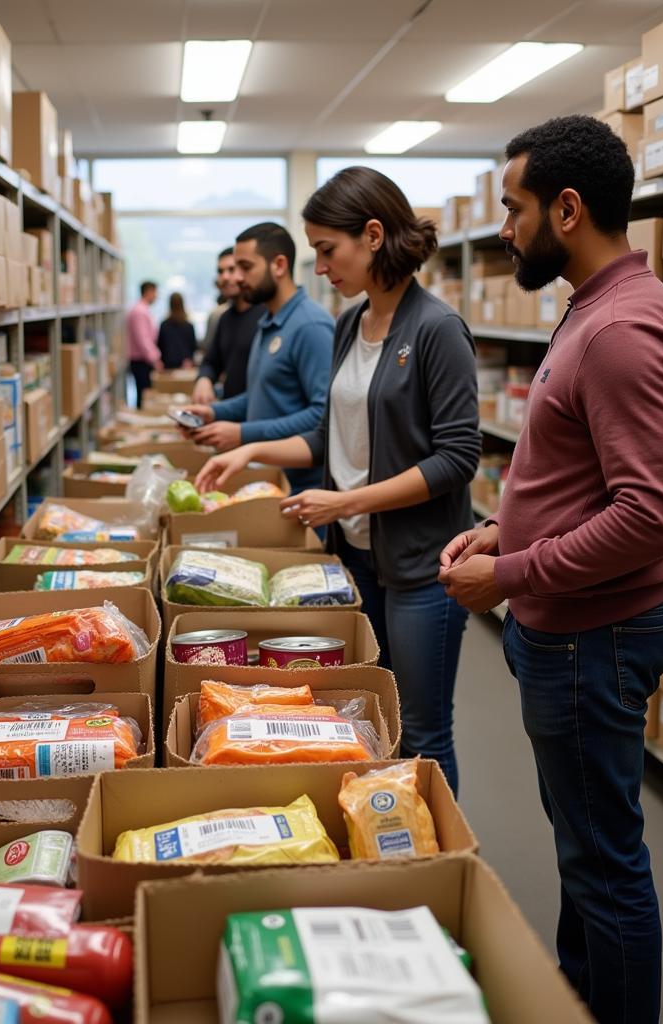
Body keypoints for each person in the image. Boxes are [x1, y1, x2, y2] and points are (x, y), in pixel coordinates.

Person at [439, 116, 663, 1024]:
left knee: (604, 864)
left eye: (514, 209)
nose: (505, 227)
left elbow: (656, 515)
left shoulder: (621, 330)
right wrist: (498, 533)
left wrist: (512, 575)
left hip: (594, 636)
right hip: (572, 627)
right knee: (586, 849)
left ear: (568, 208)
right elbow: (576, 476)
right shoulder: (590, 310)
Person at [195, 168, 480, 792]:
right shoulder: (352, 324)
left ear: (373, 236)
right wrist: (251, 451)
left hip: (419, 563)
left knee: (425, 730)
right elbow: (334, 433)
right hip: (355, 555)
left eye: (328, 250)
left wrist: (349, 498)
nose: (319, 267)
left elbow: (458, 458)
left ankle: (437, 867)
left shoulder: (435, 329)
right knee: (373, 718)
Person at [182, 222, 333, 492]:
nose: (237, 278)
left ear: (279, 265)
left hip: (305, 489)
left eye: (245, 267)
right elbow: (263, 395)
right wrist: (214, 413)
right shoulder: (268, 323)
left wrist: (243, 434)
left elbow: (323, 416)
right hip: (269, 481)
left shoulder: (311, 326)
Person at [192, 247, 264, 404]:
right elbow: (211, 361)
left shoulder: (266, 316)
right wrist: (204, 379)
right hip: (230, 413)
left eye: (231, 270)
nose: (224, 277)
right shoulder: (225, 319)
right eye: (220, 271)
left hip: (258, 418)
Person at [126, 280, 160, 407]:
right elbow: (143, 339)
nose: (156, 296)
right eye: (155, 292)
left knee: (143, 393)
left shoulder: (141, 309)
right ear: (148, 292)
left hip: (142, 359)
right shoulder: (139, 311)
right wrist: (155, 358)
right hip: (140, 360)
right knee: (143, 394)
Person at [157, 292, 197, 369]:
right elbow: (193, 346)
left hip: (168, 364)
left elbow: (160, 345)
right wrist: (189, 359)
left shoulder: (164, 325)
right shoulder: (189, 325)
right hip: (185, 364)